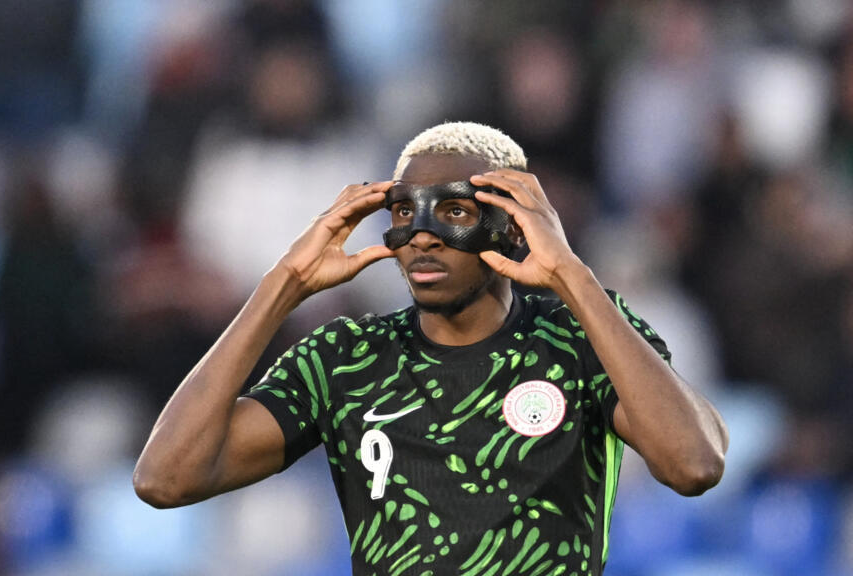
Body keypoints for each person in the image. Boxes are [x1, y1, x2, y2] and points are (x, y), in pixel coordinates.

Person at [134, 121, 728, 575]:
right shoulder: (346, 358)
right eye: (404, 212)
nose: (422, 236)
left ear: (511, 225)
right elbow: (165, 478)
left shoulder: (578, 335)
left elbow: (694, 464)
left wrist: (571, 276)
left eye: (453, 212)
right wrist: (282, 284)